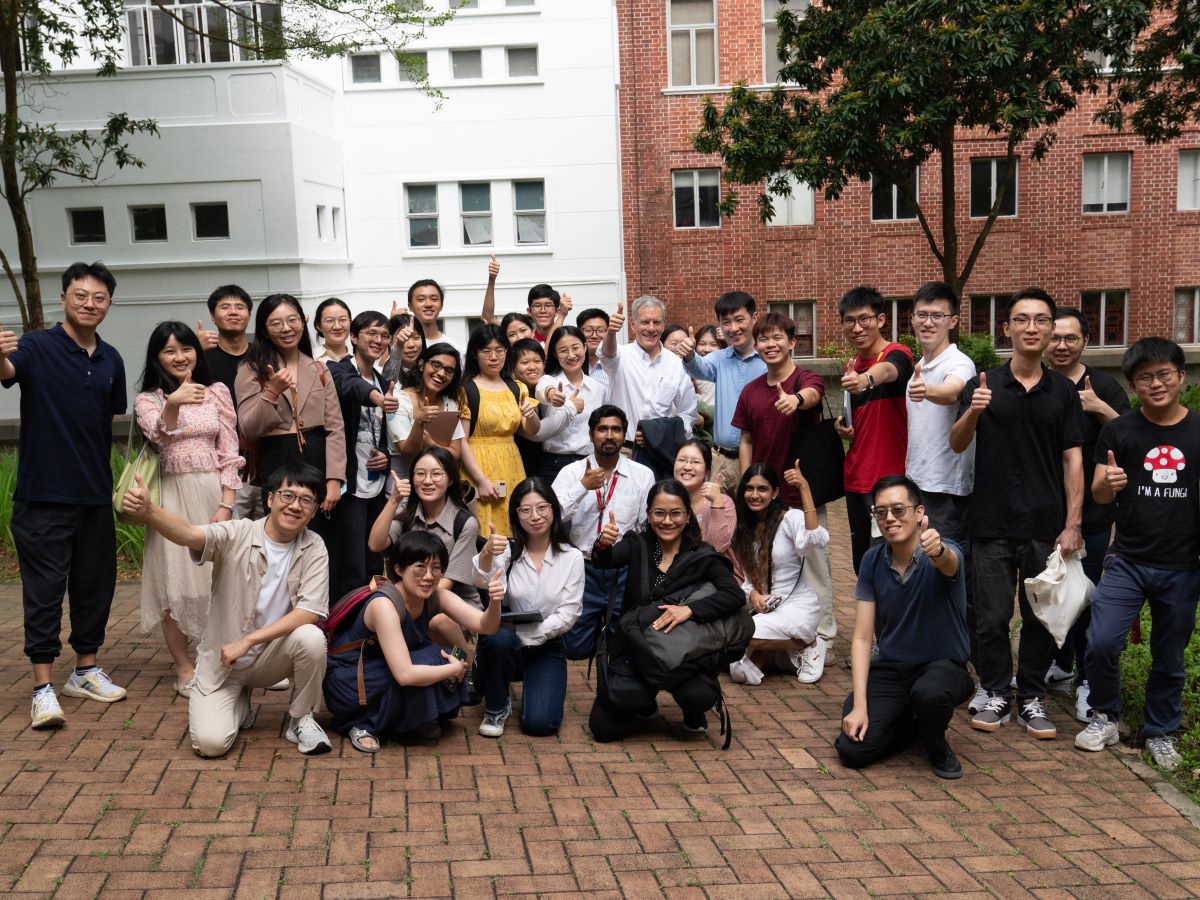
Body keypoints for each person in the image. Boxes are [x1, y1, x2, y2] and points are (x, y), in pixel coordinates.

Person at [121, 462, 334, 758]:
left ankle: (301, 718)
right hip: (225, 661)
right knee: (211, 744)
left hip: (270, 657)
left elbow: (310, 611)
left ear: (313, 510)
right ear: (270, 498)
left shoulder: (314, 547)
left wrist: (249, 641)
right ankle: (238, 702)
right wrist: (149, 512)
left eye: (306, 500)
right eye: (287, 496)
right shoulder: (238, 532)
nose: (295, 506)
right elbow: (190, 535)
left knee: (311, 637)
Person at [950, 288, 1085, 740]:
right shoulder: (984, 383)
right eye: (1022, 320)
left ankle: (1030, 695)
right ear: (1006, 328)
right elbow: (956, 442)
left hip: (1044, 526)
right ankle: (994, 691)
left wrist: (1072, 524)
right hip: (989, 522)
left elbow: (1073, 460)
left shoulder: (1063, 392)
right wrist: (973, 411)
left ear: (1051, 330)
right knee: (989, 616)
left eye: (1041, 320)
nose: (1032, 328)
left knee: (1039, 618)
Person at [0, 262, 129, 728]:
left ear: (109, 304)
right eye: (80, 295)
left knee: (95, 586)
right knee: (45, 591)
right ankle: (42, 687)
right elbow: (9, 370)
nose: (89, 303)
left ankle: (86, 670)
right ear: (63, 298)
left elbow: (108, 422)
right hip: (44, 494)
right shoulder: (36, 345)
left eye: (99, 297)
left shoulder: (112, 358)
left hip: (94, 494)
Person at [1076, 338, 1200, 770]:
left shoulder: (1198, 432)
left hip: (1183, 566)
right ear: (1133, 385)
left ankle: (1160, 731)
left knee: (1169, 657)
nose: (1156, 383)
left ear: (1181, 376)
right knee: (1101, 641)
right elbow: (1096, 492)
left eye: (1164, 374)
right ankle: (1106, 715)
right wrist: (1108, 481)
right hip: (1127, 559)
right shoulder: (1120, 430)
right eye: (1145, 377)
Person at [835, 476, 973, 779]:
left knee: (929, 693)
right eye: (881, 512)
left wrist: (936, 551)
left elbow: (949, 564)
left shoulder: (943, 548)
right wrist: (860, 704)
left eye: (898, 510)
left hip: (943, 667)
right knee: (852, 749)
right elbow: (861, 638)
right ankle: (915, 728)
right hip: (892, 669)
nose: (890, 518)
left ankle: (936, 744)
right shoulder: (872, 560)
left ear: (919, 512)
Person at [588, 479, 746, 740]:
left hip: (681, 652)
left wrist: (690, 610)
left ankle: (692, 708)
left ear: (687, 516)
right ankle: (644, 701)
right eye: (659, 513)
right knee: (604, 729)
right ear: (648, 515)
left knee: (699, 695)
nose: (667, 521)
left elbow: (734, 595)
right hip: (636, 648)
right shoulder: (637, 544)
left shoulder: (701, 555)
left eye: (676, 513)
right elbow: (604, 562)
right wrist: (603, 545)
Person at [134, 321, 243, 696]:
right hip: (171, 497)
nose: (180, 357)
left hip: (213, 493)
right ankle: (184, 666)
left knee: (226, 578)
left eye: (186, 348)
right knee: (174, 581)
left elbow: (230, 452)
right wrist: (173, 403)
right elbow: (158, 436)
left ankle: (231, 657)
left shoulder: (216, 391)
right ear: (157, 357)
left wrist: (227, 503)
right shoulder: (148, 399)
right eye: (169, 350)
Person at [324, 530, 502, 752]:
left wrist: (495, 601)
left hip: (380, 668)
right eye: (420, 568)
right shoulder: (384, 606)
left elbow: (486, 625)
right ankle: (361, 724)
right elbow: (405, 674)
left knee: (436, 655)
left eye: (435, 568)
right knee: (432, 661)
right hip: (350, 681)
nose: (429, 576)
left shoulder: (435, 595)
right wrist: (453, 669)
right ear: (399, 569)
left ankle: (408, 721)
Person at [732, 312, 835, 681]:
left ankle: (822, 638)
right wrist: (748, 483)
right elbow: (745, 439)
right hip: (766, 497)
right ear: (755, 345)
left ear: (793, 342)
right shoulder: (752, 390)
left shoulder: (804, 379)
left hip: (799, 492)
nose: (770, 344)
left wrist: (795, 400)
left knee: (815, 566)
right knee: (767, 565)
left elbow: (812, 395)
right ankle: (786, 631)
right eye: (763, 339)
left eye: (778, 337)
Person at [1044, 307, 1131, 722]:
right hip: (1043, 512)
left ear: (1085, 341)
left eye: (1070, 338)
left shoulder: (1106, 387)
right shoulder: (1037, 384)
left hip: (1093, 516)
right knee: (1049, 593)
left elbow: (1135, 437)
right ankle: (1058, 664)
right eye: (1055, 337)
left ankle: (1085, 680)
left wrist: (1098, 407)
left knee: (1086, 595)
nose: (1061, 345)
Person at [472, 479, 584, 737]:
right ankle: (497, 707)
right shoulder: (509, 550)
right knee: (496, 638)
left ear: (554, 510)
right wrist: (488, 551)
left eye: (542, 507)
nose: (535, 516)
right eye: (525, 510)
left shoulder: (571, 557)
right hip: (506, 641)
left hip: (547, 644)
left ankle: (525, 686)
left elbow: (569, 613)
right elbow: (480, 579)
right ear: (516, 515)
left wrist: (528, 637)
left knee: (539, 724)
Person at [235, 294, 346, 542]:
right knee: (279, 537)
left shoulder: (318, 368)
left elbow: (335, 428)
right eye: (276, 323)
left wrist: (335, 479)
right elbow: (249, 429)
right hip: (275, 459)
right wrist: (272, 392)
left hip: (317, 458)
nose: (286, 328)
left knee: (317, 539)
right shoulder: (251, 368)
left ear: (302, 322)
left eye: (292, 320)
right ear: (264, 329)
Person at [552, 406, 656, 659]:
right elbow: (551, 516)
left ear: (623, 435)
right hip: (582, 567)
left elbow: (646, 527)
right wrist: (582, 487)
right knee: (574, 649)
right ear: (591, 435)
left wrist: (623, 545)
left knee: (621, 647)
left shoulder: (642, 475)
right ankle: (598, 631)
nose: (609, 435)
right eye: (602, 429)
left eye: (616, 430)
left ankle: (610, 637)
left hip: (622, 569)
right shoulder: (572, 473)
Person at [833, 286, 915, 574]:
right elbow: (859, 414)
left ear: (880, 320)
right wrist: (845, 428)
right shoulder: (851, 364)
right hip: (855, 478)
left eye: (864, 319)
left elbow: (890, 372)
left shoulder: (897, 354)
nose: (857, 327)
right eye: (849, 321)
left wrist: (866, 379)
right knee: (864, 566)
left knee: (892, 565)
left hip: (888, 481)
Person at [727, 464, 829, 685]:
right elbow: (747, 580)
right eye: (749, 488)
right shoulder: (744, 528)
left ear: (774, 492)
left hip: (796, 606)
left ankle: (809, 643)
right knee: (737, 670)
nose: (755, 495)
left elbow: (814, 539)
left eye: (762, 489)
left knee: (748, 635)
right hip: (765, 606)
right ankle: (780, 650)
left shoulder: (789, 518)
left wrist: (804, 488)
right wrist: (755, 597)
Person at [327, 311, 399, 597]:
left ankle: (370, 623)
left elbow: (383, 434)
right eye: (371, 334)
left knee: (373, 559)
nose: (378, 340)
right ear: (354, 338)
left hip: (375, 485)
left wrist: (385, 457)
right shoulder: (336, 370)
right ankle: (346, 630)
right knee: (350, 564)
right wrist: (375, 397)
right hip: (348, 486)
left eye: (384, 335)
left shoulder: (384, 380)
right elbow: (350, 387)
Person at [904, 282, 976, 545]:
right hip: (917, 483)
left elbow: (953, 390)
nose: (928, 322)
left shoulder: (959, 362)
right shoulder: (920, 366)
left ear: (953, 321)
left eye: (938, 316)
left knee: (946, 567)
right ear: (912, 319)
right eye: (922, 315)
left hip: (946, 490)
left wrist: (927, 390)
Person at [674, 291, 766, 491]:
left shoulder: (770, 360)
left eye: (739, 320)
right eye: (726, 322)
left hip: (759, 460)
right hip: (721, 460)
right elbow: (699, 368)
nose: (733, 328)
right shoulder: (719, 358)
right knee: (716, 517)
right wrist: (689, 354)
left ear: (755, 318)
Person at [368, 447, 481, 608]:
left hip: (455, 606)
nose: (427, 481)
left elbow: (445, 584)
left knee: (436, 623)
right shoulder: (407, 516)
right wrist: (394, 500)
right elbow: (375, 544)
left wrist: (403, 603)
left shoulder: (464, 523)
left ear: (450, 480)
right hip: (411, 602)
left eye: (436, 474)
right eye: (420, 474)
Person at [459, 324, 541, 536]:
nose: (493, 357)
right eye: (486, 351)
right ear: (475, 355)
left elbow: (532, 430)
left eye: (499, 350)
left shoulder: (517, 388)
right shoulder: (466, 389)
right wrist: (481, 481)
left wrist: (531, 415)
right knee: (482, 530)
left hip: (511, 462)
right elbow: (462, 441)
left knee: (514, 526)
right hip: (477, 465)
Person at [599, 296, 697, 470]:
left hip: (660, 453)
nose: (651, 328)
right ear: (633, 324)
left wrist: (659, 434)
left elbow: (688, 414)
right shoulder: (620, 356)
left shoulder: (676, 364)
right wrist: (611, 331)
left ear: (663, 325)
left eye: (656, 322)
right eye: (645, 322)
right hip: (623, 451)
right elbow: (607, 354)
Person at [200, 285, 261, 520]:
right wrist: (193, 350)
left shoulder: (262, 356)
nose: (233, 312)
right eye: (225, 307)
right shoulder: (202, 358)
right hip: (220, 466)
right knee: (230, 538)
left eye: (240, 307)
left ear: (249, 314)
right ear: (213, 317)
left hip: (262, 463)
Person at [388, 343, 470, 478]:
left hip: (439, 479)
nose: (442, 373)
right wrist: (419, 421)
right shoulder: (399, 400)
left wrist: (431, 443)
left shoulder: (450, 404)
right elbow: (408, 452)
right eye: (436, 365)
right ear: (421, 365)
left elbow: (455, 453)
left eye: (449, 370)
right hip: (403, 480)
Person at [534, 325, 605, 479]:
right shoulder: (548, 380)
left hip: (589, 462)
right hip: (553, 464)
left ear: (585, 347)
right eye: (563, 350)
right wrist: (552, 395)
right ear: (555, 353)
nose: (571, 355)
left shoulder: (598, 388)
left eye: (575, 348)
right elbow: (542, 391)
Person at [672, 440, 735, 555]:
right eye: (681, 460)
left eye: (695, 462)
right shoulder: (666, 499)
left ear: (707, 470)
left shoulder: (724, 502)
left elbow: (717, 547)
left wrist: (716, 503)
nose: (687, 467)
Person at [402, 279, 465, 357]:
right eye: (421, 299)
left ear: (441, 305)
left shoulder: (453, 347)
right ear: (410, 306)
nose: (428, 304)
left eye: (434, 299)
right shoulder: (400, 344)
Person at [381, 312, 425, 386]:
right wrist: (399, 345)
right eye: (403, 338)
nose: (411, 345)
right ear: (390, 340)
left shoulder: (430, 368)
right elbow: (387, 384)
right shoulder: (382, 371)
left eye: (416, 338)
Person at [575, 307, 611, 395]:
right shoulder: (571, 363)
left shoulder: (616, 365)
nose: (594, 335)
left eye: (600, 330)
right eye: (588, 330)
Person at [313, 297, 352, 364]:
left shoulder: (358, 359)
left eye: (343, 320)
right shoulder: (311, 358)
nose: (337, 327)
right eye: (329, 321)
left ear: (350, 323)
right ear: (319, 326)